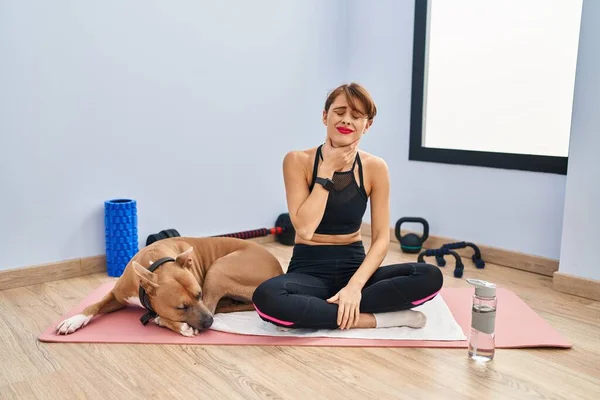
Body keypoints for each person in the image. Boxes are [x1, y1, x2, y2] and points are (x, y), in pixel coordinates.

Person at [252, 83, 443, 330]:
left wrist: (354, 287)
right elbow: (306, 229)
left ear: (368, 125)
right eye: (339, 112)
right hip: (309, 270)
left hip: (354, 266)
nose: (346, 121)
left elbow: (381, 240)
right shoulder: (297, 161)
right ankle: (376, 320)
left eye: (356, 116)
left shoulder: (375, 168)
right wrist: (327, 170)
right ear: (325, 116)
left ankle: (318, 310)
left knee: (430, 276)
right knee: (267, 298)